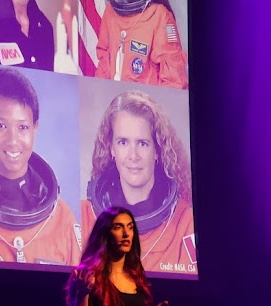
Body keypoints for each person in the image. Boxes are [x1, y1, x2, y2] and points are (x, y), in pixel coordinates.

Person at [0, 66, 82, 264]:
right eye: (1, 126)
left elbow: (80, 293)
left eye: (22, 127)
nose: (13, 141)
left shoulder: (62, 220)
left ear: (35, 128)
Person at [82, 90, 195, 275]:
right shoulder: (86, 217)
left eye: (142, 143)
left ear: (157, 151)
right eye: (123, 142)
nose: (133, 156)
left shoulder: (185, 223)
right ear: (111, 148)